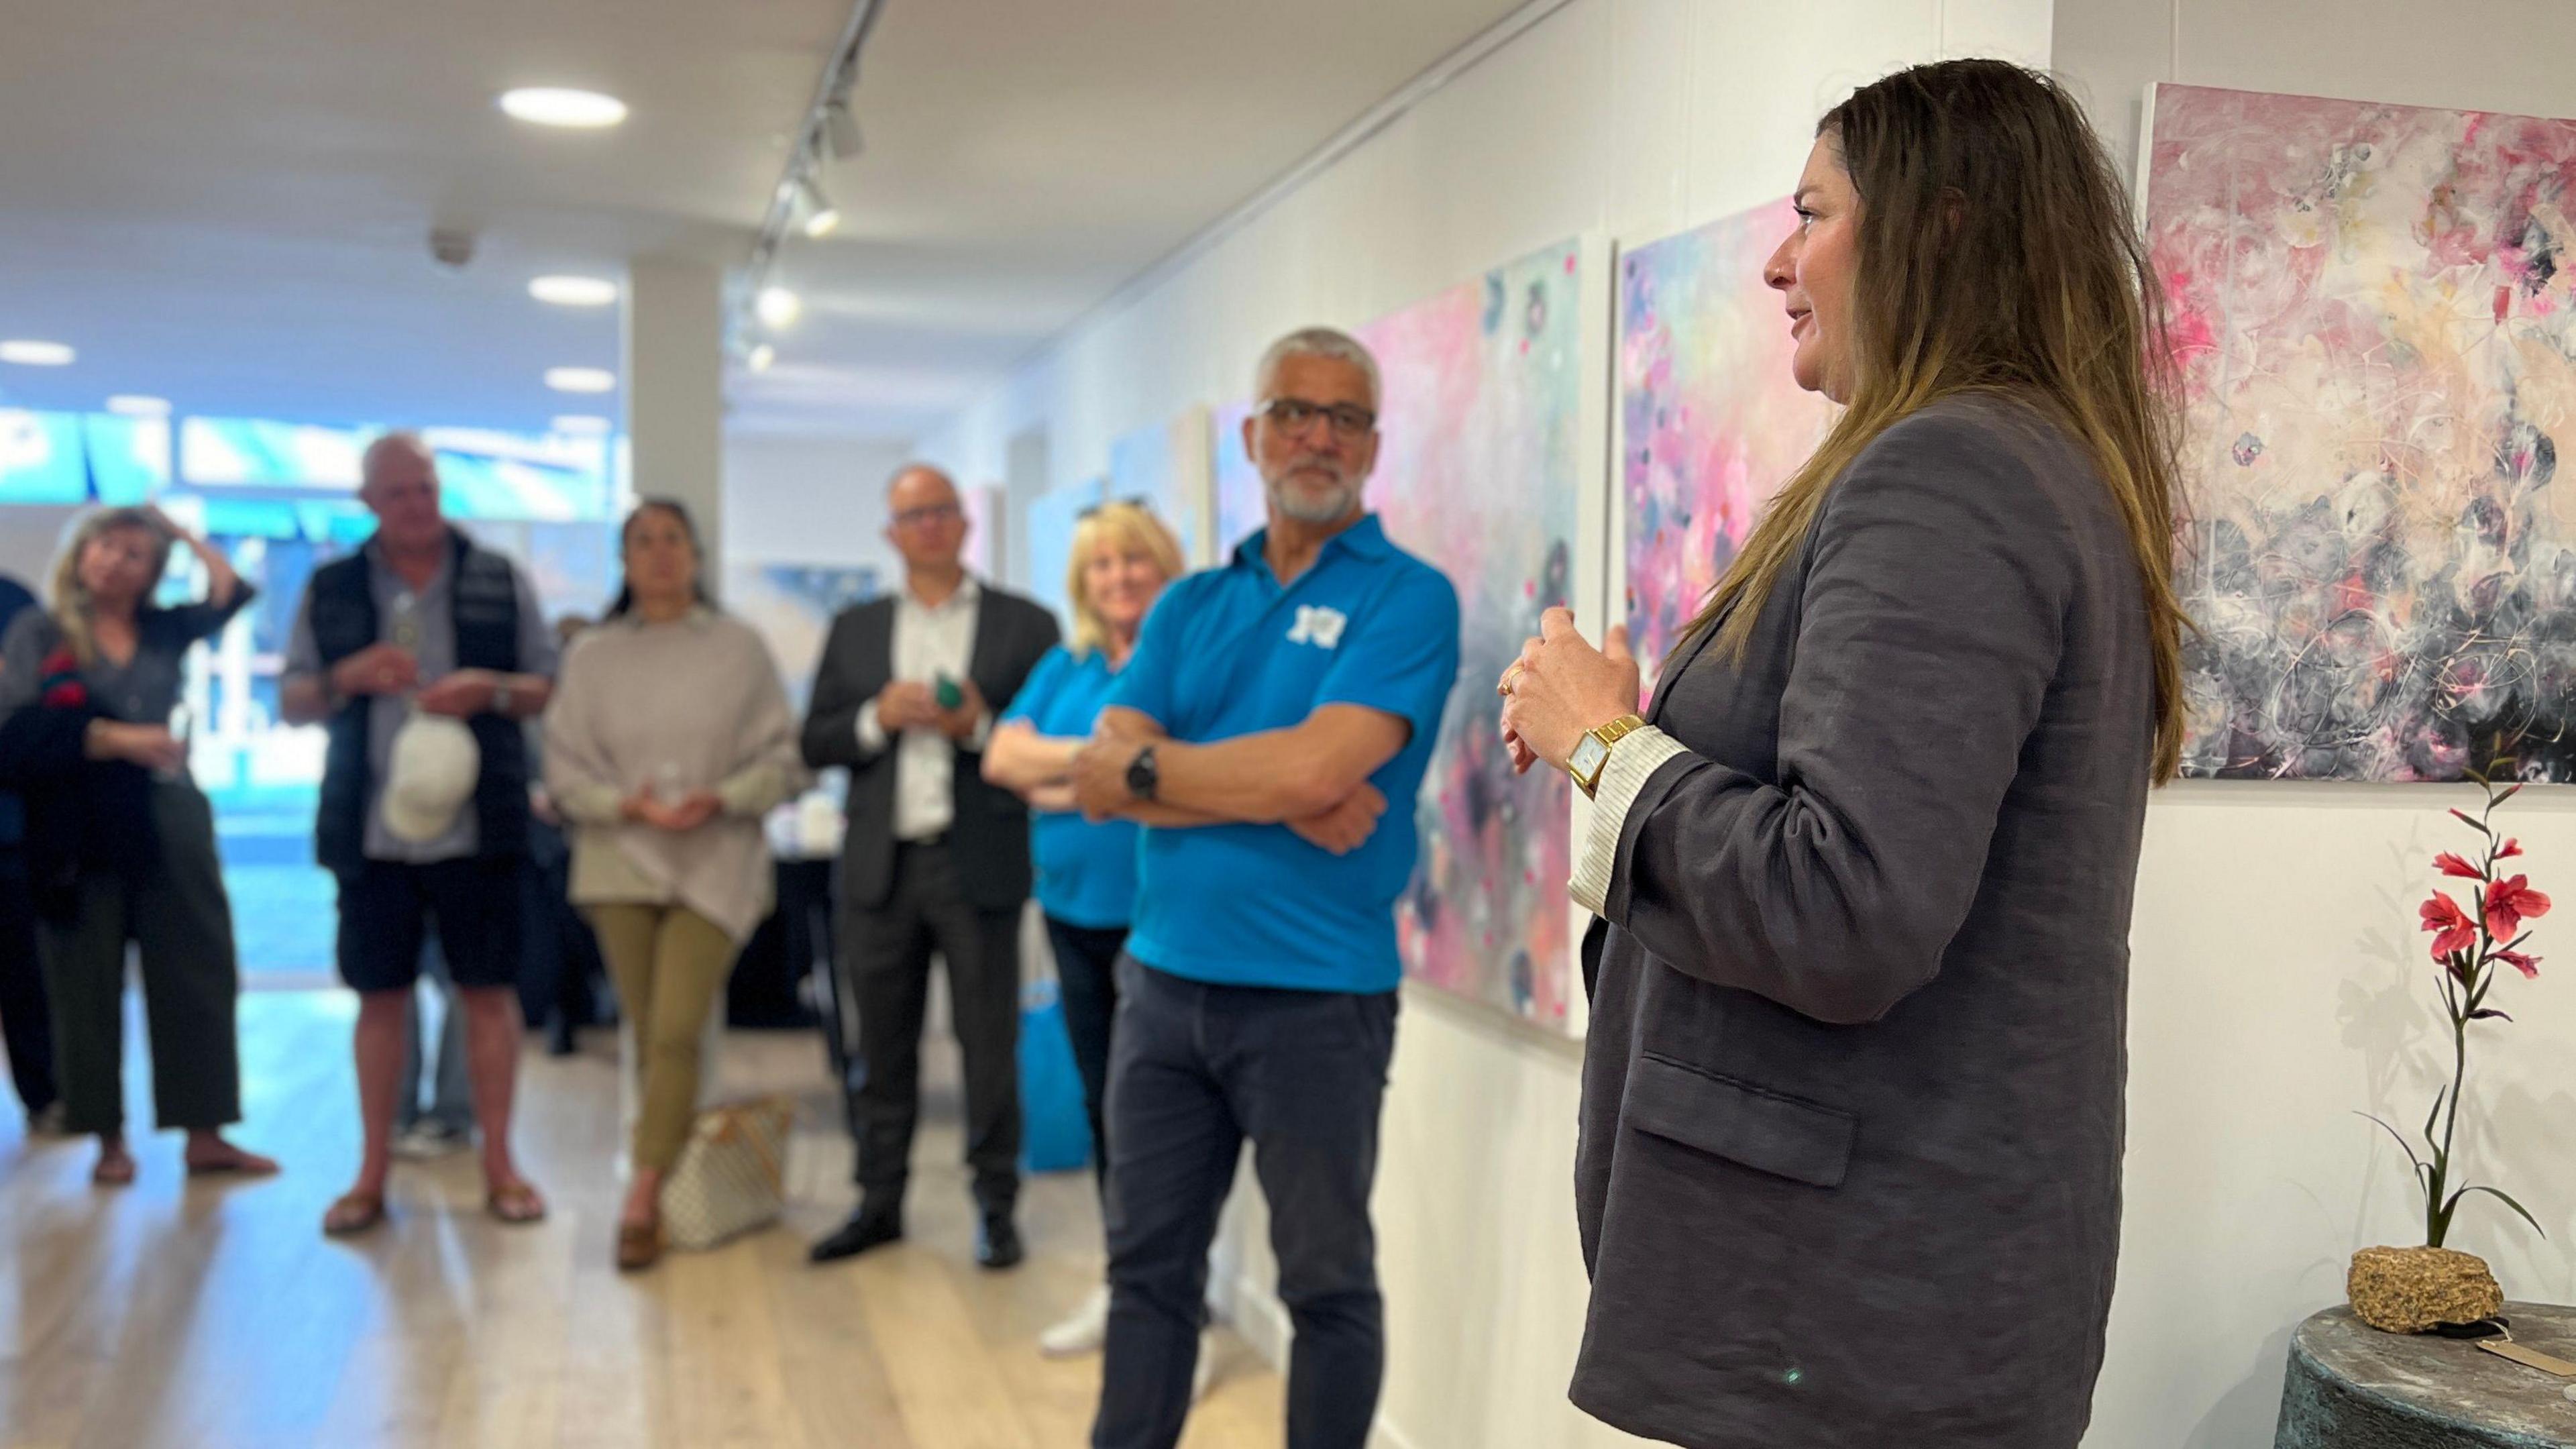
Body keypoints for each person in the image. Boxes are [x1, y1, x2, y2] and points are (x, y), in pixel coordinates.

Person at [1495, 60, 2186, 1449]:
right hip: (1895, 1291)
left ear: (1934, 225)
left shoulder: (1950, 472)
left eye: (1812, 214)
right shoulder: (2032, 462)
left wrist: (1606, 746)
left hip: (1851, 1306)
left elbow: (1845, 905)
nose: (1776, 261)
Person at [1068, 326, 1462, 1449]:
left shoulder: (1409, 599)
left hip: (1317, 1002)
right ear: (1254, 434)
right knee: (1146, 1275)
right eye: (1295, 411)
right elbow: (1102, 776)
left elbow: (1313, 769)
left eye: (1345, 418)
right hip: (1161, 990)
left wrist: (1209, 775)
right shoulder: (1191, 603)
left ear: (1374, 447)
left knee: (1325, 1289)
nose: (1318, 436)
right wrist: (1277, 785)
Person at [280, 432, 559, 1236]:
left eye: (428, 489)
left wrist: (494, 690)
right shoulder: (332, 587)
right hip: (371, 834)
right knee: (380, 998)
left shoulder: (496, 578)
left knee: (488, 994)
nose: (417, 505)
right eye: (398, 492)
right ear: (368, 501)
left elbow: (547, 686)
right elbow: (292, 701)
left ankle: (499, 1163)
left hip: (481, 828)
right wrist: (345, 679)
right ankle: (372, 1171)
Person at [802, 464, 1059, 1270]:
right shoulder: (855, 628)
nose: (929, 526)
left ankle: (996, 1208)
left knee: (989, 1044)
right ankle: (878, 1202)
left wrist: (979, 725)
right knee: (881, 1047)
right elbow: (815, 740)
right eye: (913, 515)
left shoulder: (1026, 626)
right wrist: (877, 719)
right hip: (881, 866)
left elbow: (1050, 736)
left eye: (942, 511)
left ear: (964, 523)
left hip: (978, 861)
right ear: (892, 532)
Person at [543, 498, 806, 1271]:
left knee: (676, 1029)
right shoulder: (593, 656)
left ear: (696, 555)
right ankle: (666, 1175)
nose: (659, 555)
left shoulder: (739, 649)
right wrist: (627, 805)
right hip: (620, 859)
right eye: (643, 542)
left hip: (714, 857)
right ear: (624, 560)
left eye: (673, 541)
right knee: (647, 1028)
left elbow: (784, 760)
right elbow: (564, 770)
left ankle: (641, 1194)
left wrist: (720, 799)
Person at [0, 507, 276, 1183]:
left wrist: (180, 534)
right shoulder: (42, 632)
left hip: (167, 810)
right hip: (77, 820)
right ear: (80, 553)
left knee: (196, 967)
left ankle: (205, 1130)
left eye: (133, 553)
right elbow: (14, 730)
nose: (115, 562)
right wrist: (113, 739)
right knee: (84, 977)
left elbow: (232, 592)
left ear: (153, 572)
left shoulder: (162, 629)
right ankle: (106, 1137)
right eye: (105, 547)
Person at [981, 500, 1184, 1355]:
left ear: (1161, 567)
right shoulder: (1066, 664)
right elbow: (999, 758)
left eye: (1133, 561)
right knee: (1106, 1111)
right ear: (1082, 581)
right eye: (1102, 566)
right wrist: (1099, 767)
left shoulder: (1179, 661)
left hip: (1156, 923)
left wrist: (1058, 770)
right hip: (1069, 914)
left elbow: (1172, 778)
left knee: (1159, 1122)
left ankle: (1177, 1306)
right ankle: (1125, 1291)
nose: (1118, 578)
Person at [0, 570, 61, 1135]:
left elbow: (28, 713)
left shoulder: (16, 602)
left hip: (12, 825)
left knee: (24, 973)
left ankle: (45, 1096)